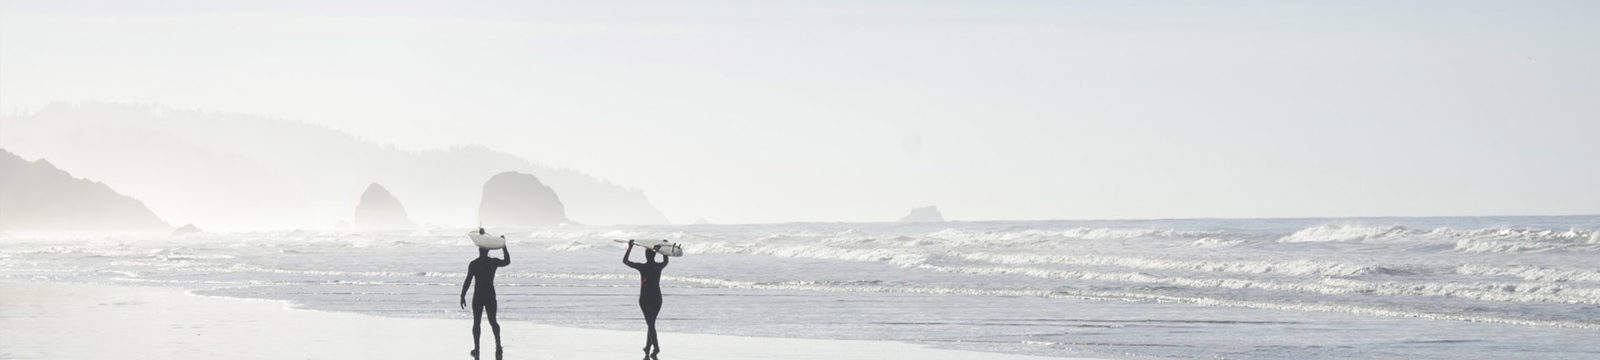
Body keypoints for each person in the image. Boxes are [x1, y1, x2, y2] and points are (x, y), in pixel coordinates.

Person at [461, 232, 510, 360]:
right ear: (488, 251)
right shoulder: (492, 262)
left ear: (479, 250)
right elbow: (507, 261)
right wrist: (504, 246)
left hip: (478, 295)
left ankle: (477, 349)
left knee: (477, 322)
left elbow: (468, 280)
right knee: (493, 321)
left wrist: (463, 295)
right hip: (489, 294)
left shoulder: (474, 264)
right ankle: (498, 346)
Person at [623, 240, 669, 360]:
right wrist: (663, 250)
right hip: (657, 298)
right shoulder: (658, 267)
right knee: (651, 323)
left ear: (646, 256)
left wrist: (630, 247)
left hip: (645, 299)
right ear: (654, 255)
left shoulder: (642, 267)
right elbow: (666, 261)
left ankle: (656, 348)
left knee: (651, 324)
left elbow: (625, 261)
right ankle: (648, 348)